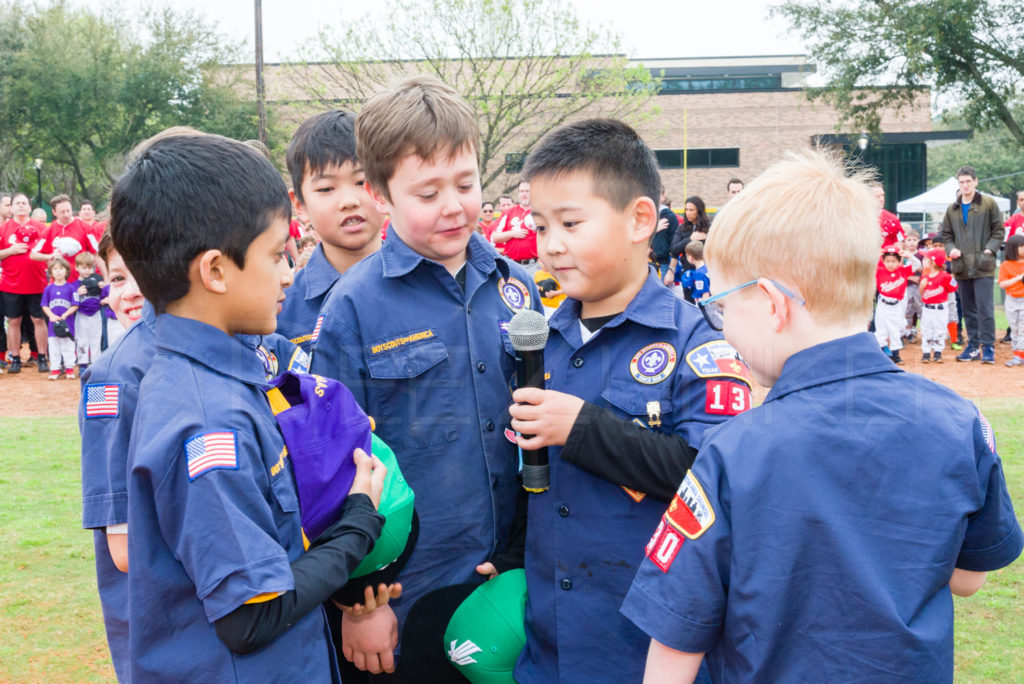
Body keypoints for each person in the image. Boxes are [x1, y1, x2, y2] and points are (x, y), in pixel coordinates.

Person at [623, 150, 1023, 683]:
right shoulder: (960, 420)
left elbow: (674, 642)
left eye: (722, 306)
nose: (721, 326)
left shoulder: (735, 449)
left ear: (772, 303)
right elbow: (970, 576)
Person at [110, 131, 388, 683]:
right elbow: (251, 617)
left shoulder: (222, 377)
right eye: (274, 255)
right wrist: (359, 521)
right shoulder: (209, 421)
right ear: (214, 271)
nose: (289, 274)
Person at [310, 74, 541, 677]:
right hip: (407, 591)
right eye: (427, 191)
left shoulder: (517, 287)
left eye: (465, 184)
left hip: (510, 577)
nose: (453, 205)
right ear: (381, 194)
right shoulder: (354, 306)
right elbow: (332, 467)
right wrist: (359, 603)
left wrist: (525, 552)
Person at [508, 118, 751, 683]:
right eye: (541, 226)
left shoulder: (698, 345)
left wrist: (583, 429)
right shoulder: (537, 339)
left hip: (649, 653)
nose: (551, 245)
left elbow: (715, 479)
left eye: (570, 223)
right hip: (548, 646)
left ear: (641, 219)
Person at [276, 110, 385, 354]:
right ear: (299, 205)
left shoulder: (430, 286)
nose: (348, 201)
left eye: (361, 182)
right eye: (326, 188)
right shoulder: (281, 309)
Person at [941, 166, 1004, 363]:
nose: (965, 185)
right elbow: (946, 235)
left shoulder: (988, 204)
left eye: (969, 181)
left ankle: (988, 347)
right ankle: (974, 345)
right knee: (968, 309)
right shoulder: (952, 209)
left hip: (983, 265)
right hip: (961, 267)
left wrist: (989, 249)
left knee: (985, 308)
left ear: (976, 182)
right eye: (962, 182)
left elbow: (998, 230)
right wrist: (950, 248)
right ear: (958, 184)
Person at [0, 192, 50, 373]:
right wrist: (11, 250)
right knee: (14, 320)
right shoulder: (3, 228)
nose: (21, 206)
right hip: (11, 283)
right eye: (17, 203)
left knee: (39, 319)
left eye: (24, 203)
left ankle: (42, 357)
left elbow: (51, 253)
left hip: (37, 282)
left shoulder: (41, 228)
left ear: (29, 207)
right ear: (11, 207)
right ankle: (15, 358)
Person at [31, 194, 95, 281]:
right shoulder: (49, 230)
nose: (66, 214)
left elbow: (96, 253)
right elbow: (33, 255)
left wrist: (105, 277)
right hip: (58, 284)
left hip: (80, 283)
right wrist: (50, 256)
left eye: (68, 210)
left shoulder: (85, 227)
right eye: (62, 212)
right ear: (54, 212)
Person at [664, 196, 710, 300]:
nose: (688, 213)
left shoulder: (708, 227)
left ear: (699, 210)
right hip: (688, 273)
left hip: (705, 271)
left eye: (691, 210)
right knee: (689, 303)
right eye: (686, 209)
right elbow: (674, 249)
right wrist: (690, 239)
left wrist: (708, 237)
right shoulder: (682, 228)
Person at [873, 245, 913, 364]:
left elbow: (917, 265)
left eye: (893, 261)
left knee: (895, 329)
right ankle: (882, 351)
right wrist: (876, 255)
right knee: (881, 329)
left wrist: (909, 256)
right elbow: (868, 266)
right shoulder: (880, 271)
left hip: (896, 305)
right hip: (882, 304)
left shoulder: (903, 271)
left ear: (899, 261)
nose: (890, 264)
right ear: (883, 261)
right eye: (887, 261)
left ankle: (896, 355)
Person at [40, 256, 78, 379]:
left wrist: (65, 314)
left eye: (61, 268)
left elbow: (75, 305)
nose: (58, 271)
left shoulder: (71, 288)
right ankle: (55, 369)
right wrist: (51, 315)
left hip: (67, 323)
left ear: (67, 271)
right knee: (54, 347)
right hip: (53, 324)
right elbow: (44, 305)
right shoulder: (48, 288)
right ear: (51, 272)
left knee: (68, 346)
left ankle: (69, 369)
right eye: (55, 269)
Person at [918, 249, 959, 363]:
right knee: (926, 330)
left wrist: (951, 279)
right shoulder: (925, 277)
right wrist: (922, 286)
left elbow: (953, 288)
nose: (923, 261)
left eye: (925, 259)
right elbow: (921, 293)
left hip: (940, 309)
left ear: (933, 263)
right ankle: (926, 352)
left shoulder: (945, 276)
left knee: (939, 330)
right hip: (927, 308)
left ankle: (938, 352)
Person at [491, 180, 540, 273]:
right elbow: (495, 237)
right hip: (512, 264)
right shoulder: (509, 212)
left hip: (534, 265)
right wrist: (512, 233)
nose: (524, 194)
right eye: (521, 191)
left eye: (527, 191)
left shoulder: (539, 212)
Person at [73, 251, 104, 371]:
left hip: (96, 313)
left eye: (90, 268)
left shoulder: (97, 282)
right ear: (77, 267)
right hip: (81, 315)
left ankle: (95, 362)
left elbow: (104, 297)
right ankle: (83, 363)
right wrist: (77, 293)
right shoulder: (74, 285)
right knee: (82, 338)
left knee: (96, 337)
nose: (87, 271)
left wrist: (103, 288)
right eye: (84, 268)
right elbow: (70, 300)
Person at [999, 234, 1024, 366]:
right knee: (1014, 328)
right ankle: (1017, 353)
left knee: (1022, 327)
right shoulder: (1005, 265)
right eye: (1022, 246)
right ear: (1014, 248)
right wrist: (1019, 278)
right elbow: (1002, 284)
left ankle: (1019, 355)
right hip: (1011, 300)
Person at [650, 188, 678, 279]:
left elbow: (674, 245)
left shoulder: (669, 216)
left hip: (662, 264)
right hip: (643, 262)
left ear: (663, 197)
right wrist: (654, 230)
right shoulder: (643, 215)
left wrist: (671, 269)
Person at [872, 181, 905, 250]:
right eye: (877, 196)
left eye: (883, 195)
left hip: (887, 259)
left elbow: (899, 244)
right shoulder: (859, 219)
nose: (882, 199)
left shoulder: (892, 219)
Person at [903, 230, 923, 341]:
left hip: (918, 286)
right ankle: (908, 332)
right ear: (905, 241)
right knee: (907, 309)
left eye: (914, 240)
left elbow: (927, 270)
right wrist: (910, 277)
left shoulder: (921, 255)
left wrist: (920, 270)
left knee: (920, 308)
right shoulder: (902, 255)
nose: (911, 242)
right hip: (906, 286)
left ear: (918, 241)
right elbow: (898, 271)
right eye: (909, 240)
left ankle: (925, 332)